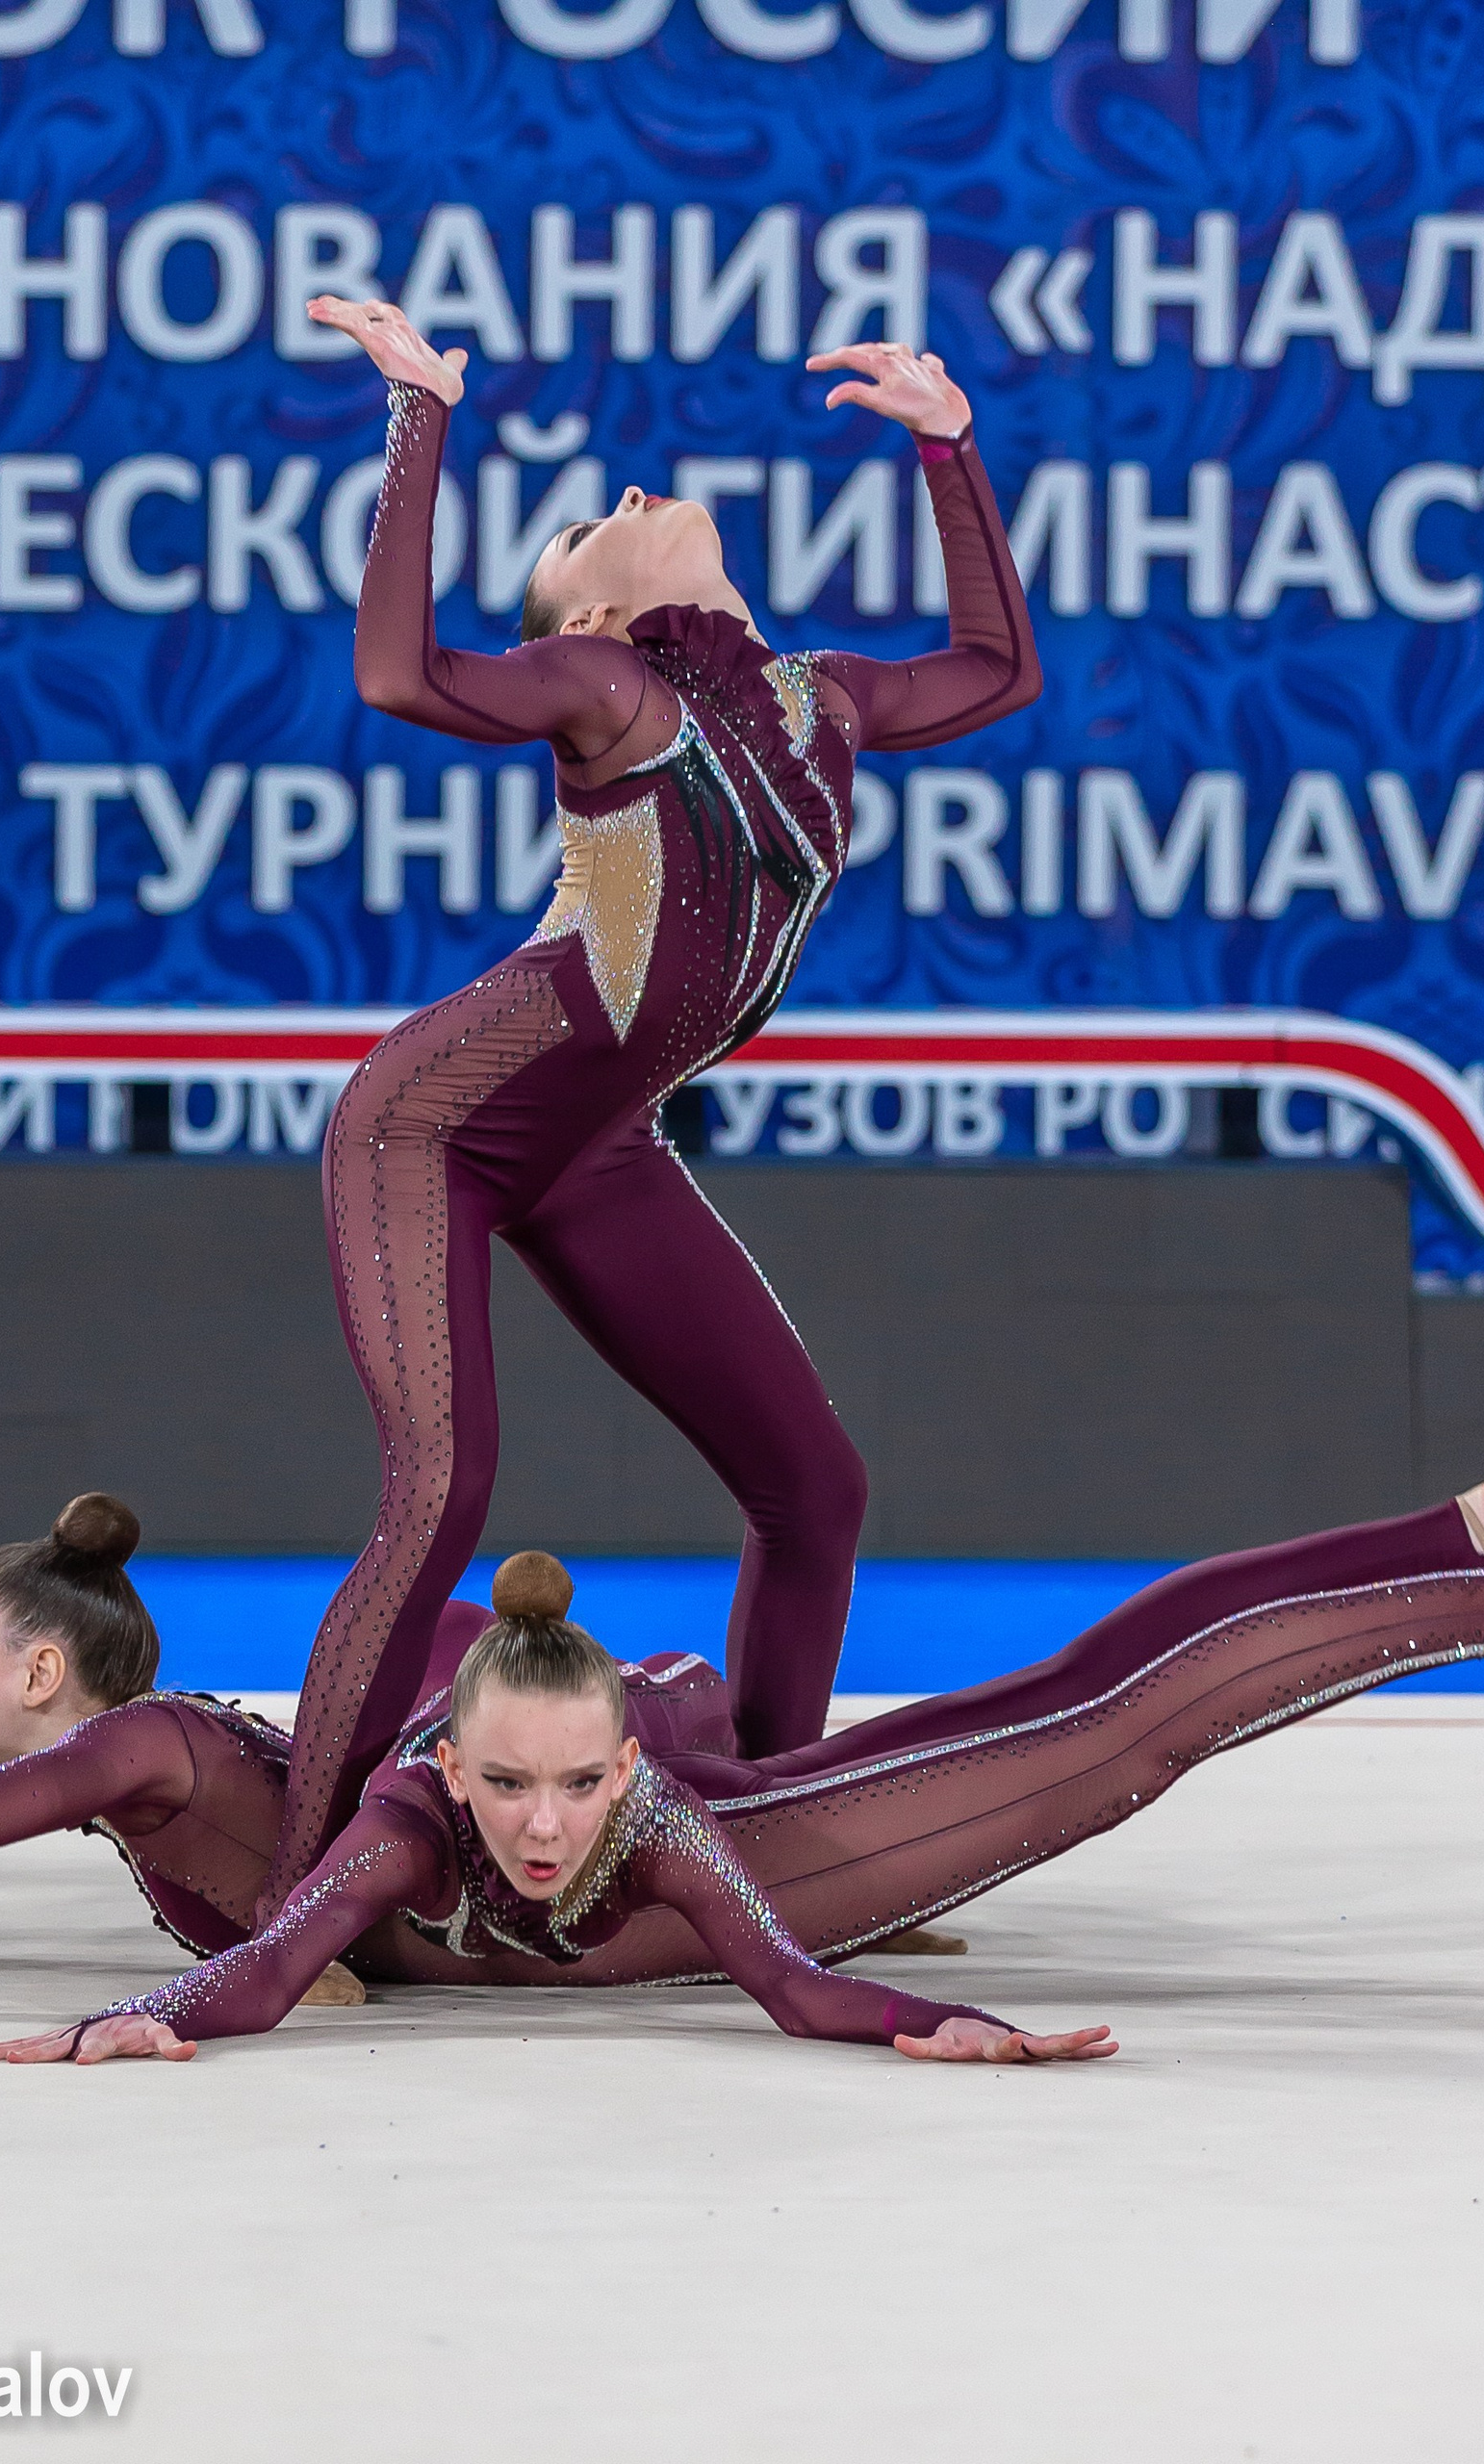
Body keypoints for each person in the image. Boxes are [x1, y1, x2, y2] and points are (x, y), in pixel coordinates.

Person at [260, 296, 1041, 1917]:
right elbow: (401, 674)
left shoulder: (822, 702)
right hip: (430, 1127)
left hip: (593, 1148)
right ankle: (297, 1890)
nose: (624, 501)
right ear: (589, 615)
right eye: (586, 527)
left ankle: (768, 1837)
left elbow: (997, 670)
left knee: (814, 1488)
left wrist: (948, 449)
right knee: (442, 1491)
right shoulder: (612, 694)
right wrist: (421, 417)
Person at [0, 1486, 1484, 2065]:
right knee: (1059, 1703)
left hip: (731, 1816)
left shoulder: (134, 1755)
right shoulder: (202, 1759)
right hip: (656, 1775)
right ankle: (1446, 1549)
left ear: (40, 1669)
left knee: (1089, 1733)